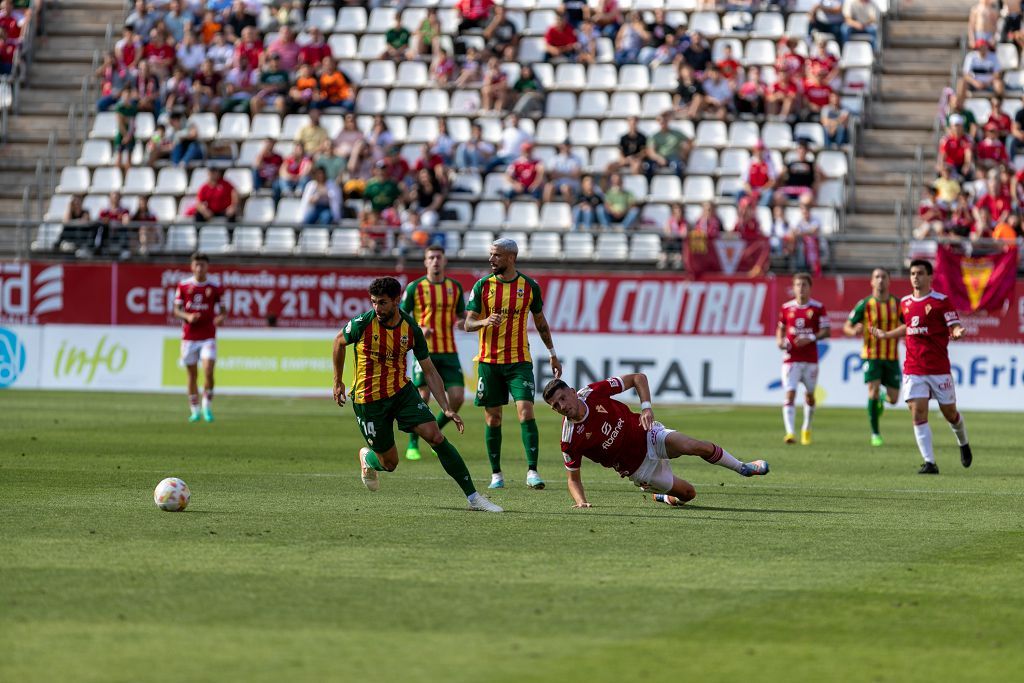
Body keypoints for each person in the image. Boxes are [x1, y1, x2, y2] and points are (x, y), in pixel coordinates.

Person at [332, 277, 502, 513]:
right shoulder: (362, 324)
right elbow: (339, 342)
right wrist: (337, 381)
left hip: (402, 393)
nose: (376, 308)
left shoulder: (411, 329)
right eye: (373, 302)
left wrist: (446, 407)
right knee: (390, 464)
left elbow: (429, 370)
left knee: (436, 437)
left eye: (382, 303)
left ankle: (474, 498)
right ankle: (368, 458)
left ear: (396, 300)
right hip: (368, 400)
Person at [543, 374, 769, 508]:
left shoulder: (592, 393)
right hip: (639, 469)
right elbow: (573, 479)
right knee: (688, 494)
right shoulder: (569, 438)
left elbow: (638, 378)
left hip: (649, 434)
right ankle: (661, 495)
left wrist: (646, 408)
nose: (562, 406)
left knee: (694, 446)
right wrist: (582, 502)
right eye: (556, 406)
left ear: (572, 392)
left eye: (563, 398)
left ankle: (743, 468)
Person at [464, 239, 561, 490]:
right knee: (493, 419)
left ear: (510, 257)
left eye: (496, 255)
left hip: (519, 361)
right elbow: (468, 324)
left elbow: (541, 322)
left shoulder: (529, 287)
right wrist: (484, 321)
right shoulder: (483, 286)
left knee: (526, 412)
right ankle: (496, 474)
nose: (491, 259)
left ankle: (532, 471)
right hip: (489, 362)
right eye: (490, 254)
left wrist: (552, 352)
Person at [870, 260, 973, 474]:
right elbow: (908, 325)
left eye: (920, 273)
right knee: (917, 413)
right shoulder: (905, 303)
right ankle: (930, 462)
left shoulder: (941, 301)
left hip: (938, 369)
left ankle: (963, 442)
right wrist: (887, 335)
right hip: (913, 368)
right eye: (912, 273)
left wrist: (956, 333)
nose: (915, 277)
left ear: (929, 277)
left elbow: (953, 326)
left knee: (950, 414)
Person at [399, 246, 467, 461]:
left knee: (457, 397)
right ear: (425, 262)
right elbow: (401, 316)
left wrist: (466, 322)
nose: (435, 261)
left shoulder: (454, 287)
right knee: (423, 397)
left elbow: (461, 315)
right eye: (431, 257)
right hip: (424, 351)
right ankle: (413, 443)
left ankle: (434, 431)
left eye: (439, 257)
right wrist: (419, 327)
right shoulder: (415, 288)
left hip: (448, 351)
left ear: (445, 261)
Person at [843, 268, 902, 447]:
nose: (880, 280)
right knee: (872, 391)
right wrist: (854, 330)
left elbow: (908, 325)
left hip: (891, 356)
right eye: (877, 277)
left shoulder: (898, 304)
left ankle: (882, 398)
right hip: (871, 355)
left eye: (884, 277)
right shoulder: (865, 304)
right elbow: (847, 326)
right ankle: (875, 433)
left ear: (889, 281)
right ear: (871, 281)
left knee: (894, 399)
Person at [776, 272, 831, 445]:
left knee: (810, 396)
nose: (801, 288)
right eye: (798, 285)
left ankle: (806, 427)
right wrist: (779, 341)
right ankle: (790, 433)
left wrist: (811, 338)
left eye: (804, 285)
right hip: (791, 358)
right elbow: (781, 328)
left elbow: (826, 331)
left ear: (810, 287)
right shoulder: (786, 308)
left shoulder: (817, 308)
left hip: (810, 359)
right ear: (793, 288)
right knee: (790, 393)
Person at [173, 252, 225, 423]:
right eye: (197, 265)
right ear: (192, 266)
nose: (199, 268)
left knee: (208, 371)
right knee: (192, 375)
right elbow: (176, 310)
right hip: (189, 337)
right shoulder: (183, 285)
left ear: (207, 267)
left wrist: (220, 317)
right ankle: (194, 410)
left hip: (208, 335)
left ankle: (207, 407)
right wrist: (187, 317)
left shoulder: (215, 287)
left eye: (202, 265)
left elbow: (223, 310)